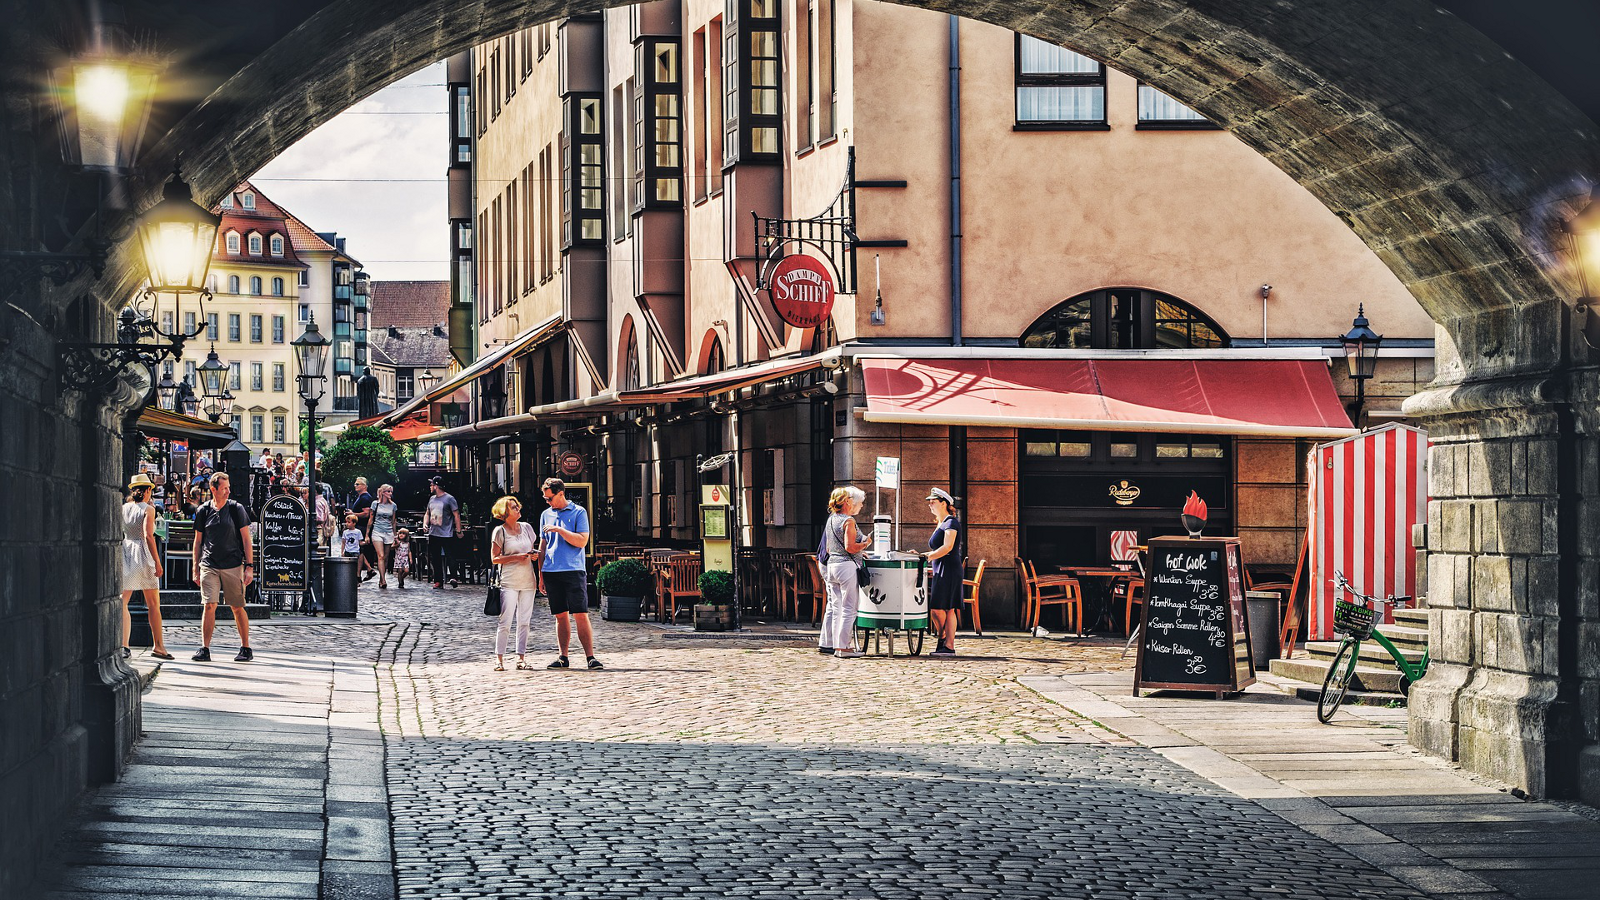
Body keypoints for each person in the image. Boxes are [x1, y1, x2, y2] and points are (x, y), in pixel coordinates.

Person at [538, 478, 601, 670]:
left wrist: (560, 530)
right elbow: (543, 545)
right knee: (560, 615)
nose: (547, 502)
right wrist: (540, 574)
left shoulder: (578, 512)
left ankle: (590, 657)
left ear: (561, 494)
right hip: (551, 571)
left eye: (550, 498)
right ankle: (563, 657)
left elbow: (582, 541)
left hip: (573, 570)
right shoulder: (545, 514)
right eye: (545, 499)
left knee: (580, 614)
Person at [190, 472, 254, 662]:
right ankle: (205, 648)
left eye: (228, 488)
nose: (228, 491)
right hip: (209, 564)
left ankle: (245, 647)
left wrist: (249, 566)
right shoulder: (203, 510)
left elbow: (246, 540)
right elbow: (198, 541)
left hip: (233, 564)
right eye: (224, 488)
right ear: (213, 489)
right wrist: (195, 567)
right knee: (209, 605)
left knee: (236, 606)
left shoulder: (236, 509)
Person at [121, 474, 173, 660]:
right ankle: (158, 646)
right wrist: (157, 562)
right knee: (153, 604)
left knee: (123, 601)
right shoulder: (149, 509)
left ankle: (124, 645)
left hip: (126, 550)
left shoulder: (124, 508)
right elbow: (148, 536)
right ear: (148, 490)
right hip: (142, 554)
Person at [818, 486, 873, 659]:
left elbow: (829, 546)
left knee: (836, 608)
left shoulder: (831, 519)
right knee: (849, 609)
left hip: (832, 566)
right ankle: (843, 648)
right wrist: (865, 544)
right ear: (848, 502)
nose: (861, 506)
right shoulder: (849, 521)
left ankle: (836, 645)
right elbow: (850, 547)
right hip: (846, 567)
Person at [490, 496, 541, 670]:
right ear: (505, 512)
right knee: (505, 621)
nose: (518, 509)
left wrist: (533, 555)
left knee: (524, 621)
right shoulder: (500, 531)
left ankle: (521, 657)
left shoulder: (527, 528)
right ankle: (499, 659)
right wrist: (515, 558)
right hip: (509, 581)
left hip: (528, 580)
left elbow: (533, 549)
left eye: (517, 506)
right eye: (513, 507)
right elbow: (495, 559)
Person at [920, 488, 964, 656]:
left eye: (933, 501)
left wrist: (927, 556)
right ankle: (945, 641)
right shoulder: (941, 522)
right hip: (941, 569)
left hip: (949, 569)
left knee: (944, 608)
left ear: (944, 503)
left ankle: (948, 644)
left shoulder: (951, 522)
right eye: (929, 501)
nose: (930, 504)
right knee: (941, 608)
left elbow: (947, 547)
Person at [425, 476, 461, 589]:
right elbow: (427, 513)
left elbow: (456, 514)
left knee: (450, 555)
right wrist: (425, 524)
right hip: (434, 532)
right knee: (435, 557)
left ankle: (453, 577)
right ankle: (438, 581)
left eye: (431, 485)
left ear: (436, 486)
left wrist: (458, 530)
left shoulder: (449, 499)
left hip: (446, 532)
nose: (430, 487)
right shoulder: (431, 499)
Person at [367, 483, 399, 588]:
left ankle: (381, 578)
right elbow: (371, 519)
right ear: (383, 492)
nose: (390, 493)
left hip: (388, 532)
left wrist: (395, 536)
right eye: (388, 491)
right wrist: (367, 534)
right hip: (377, 531)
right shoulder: (375, 504)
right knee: (380, 556)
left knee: (385, 557)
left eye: (391, 492)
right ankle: (384, 580)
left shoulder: (393, 505)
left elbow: (393, 521)